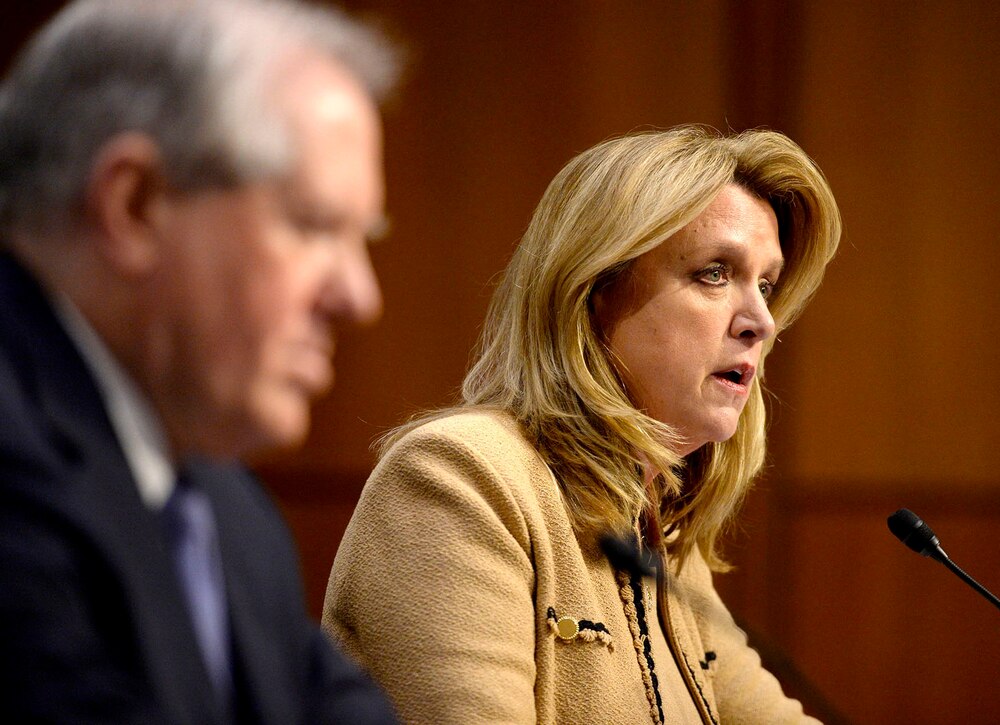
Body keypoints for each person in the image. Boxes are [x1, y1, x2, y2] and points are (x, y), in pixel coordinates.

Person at [323, 125, 841, 724]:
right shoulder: (459, 481)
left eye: (767, 285)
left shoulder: (660, 534)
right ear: (593, 291)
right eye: (715, 273)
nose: (761, 321)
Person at [0, 0, 400, 721]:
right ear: (135, 205)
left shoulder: (226, 505)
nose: (358, 297)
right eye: (313, 225)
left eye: (360, 237)